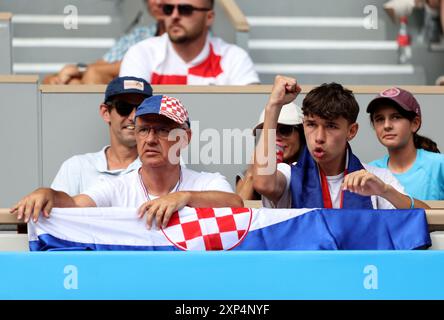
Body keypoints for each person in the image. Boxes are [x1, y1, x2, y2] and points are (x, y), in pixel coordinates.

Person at [11, 94, 243, 228]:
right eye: (143, 130)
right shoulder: (118, 186)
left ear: (185, 138)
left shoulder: (205, 182)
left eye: (162, 130)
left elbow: (235, 205)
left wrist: (184, 197)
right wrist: (48, 194)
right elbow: (74, 205)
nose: (150, 139)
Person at [252, 75, 430, 210]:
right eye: (311, 124)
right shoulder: (290, 174)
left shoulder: (377, 179)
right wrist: (273, 106)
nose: (319, 137)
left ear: (351, 131)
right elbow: (263, 184)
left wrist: (385, 191)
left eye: (331, 126)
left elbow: (425, 216)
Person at [51, 76, 153, 196]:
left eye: (141, 109)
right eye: (123, 107)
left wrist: (181, 196)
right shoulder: (76, 167)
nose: (133, 117)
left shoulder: (160, 166)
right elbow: (56, 211)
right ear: (106, 113)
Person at [119, 0, 260, 85]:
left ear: (209, 17)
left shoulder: (233, 57)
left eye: (185, 9)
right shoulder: (141, 53)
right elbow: (131, 113)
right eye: (168, 9)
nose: (174, 16)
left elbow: (249, 111)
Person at [43, 0, 166, 85]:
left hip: (152, 93)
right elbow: (102, 63)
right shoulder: (140, 34)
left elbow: (134, 65)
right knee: (64, 82)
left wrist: (88, 71)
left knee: (94, 74)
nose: (158, 2)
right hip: (126, 96)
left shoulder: (180, 40)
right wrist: (69, 73)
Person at [367, 87, 444, 200]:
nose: (387, 125)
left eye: (396, 117)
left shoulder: (439, 165)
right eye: (379, 119)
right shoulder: (370, 172)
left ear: (415, 124)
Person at [235, 102, 305, 202]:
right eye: (267, 133)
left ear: (302, 135)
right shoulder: (248, 176)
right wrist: (252, 172)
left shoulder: (313, 174)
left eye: (284, 130)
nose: (275, 138)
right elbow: (239, 213)